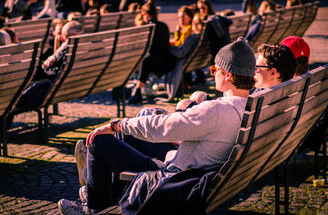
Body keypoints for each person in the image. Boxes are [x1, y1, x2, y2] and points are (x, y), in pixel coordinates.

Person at [57, 37, 256, 215]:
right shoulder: (252, 106)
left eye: (215, 70)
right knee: (127, 136)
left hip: (174, 177)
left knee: (99, 141)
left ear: (228, 75)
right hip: (199, 168)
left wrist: (117, 124)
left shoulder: (216, 111)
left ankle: (92, 207)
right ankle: (101, 188)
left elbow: (162, 126)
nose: (213, 75)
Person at [128, 0, 176, 104]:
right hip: (169, 61)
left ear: (145, 14)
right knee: (146, 62)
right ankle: (138, 90)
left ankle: (137, 91)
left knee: (145, 62)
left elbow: (148, 49)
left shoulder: (149, 27)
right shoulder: (163, 25)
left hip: (161, 63)